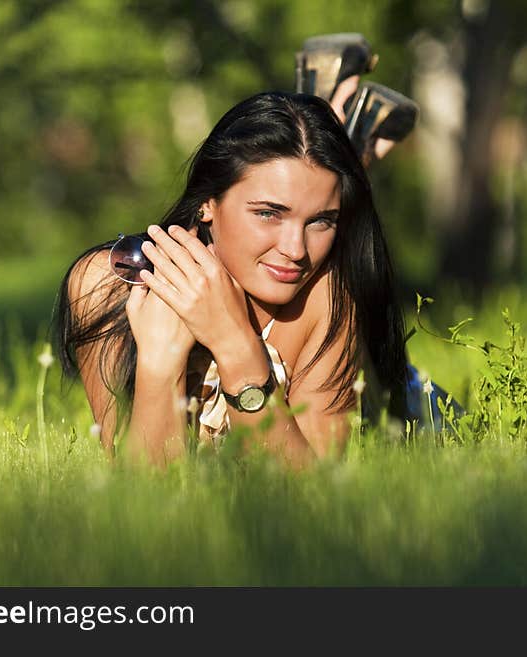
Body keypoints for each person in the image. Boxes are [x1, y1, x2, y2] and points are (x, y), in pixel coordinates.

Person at [54, 91, 410, 468]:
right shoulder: (106, 284)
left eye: (321, 220)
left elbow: (308, 496)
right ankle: (345, 135)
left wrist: (235, 345)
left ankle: (352, 145)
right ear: (207, 201)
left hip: (392, 394)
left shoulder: (326, 294)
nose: (296, 251)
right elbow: (143, 497)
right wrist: (161, 360)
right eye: (269, 213)